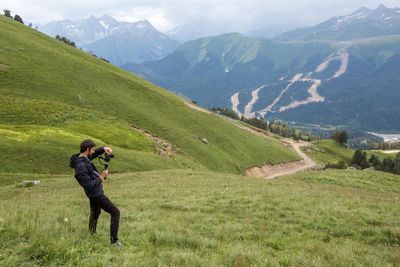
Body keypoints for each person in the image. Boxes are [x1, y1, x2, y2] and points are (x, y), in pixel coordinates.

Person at [69, 139, 122, 246]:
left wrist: (103, 149)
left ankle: (91, 233)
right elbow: (88, 185)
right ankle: (114, 241)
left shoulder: (82, 158)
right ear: (87, 149)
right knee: (115, 212)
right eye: (92, 149)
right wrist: (102, 177)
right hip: (96, 194)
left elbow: (91, 156)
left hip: (94, 193)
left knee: (95, 213)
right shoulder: (81, 167)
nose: (93, 152)